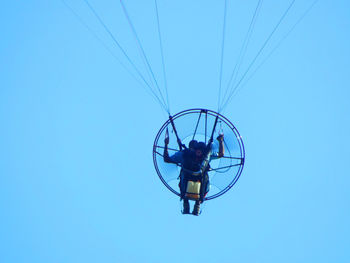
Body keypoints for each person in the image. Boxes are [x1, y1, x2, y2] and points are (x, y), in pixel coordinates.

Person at [163, 134, 225, 215]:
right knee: (185, 179)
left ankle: (198, 202)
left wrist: (220, 141)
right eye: (196, 150)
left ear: (203, 151)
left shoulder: (206, 156)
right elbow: (167, 159)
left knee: (204, 182)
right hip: (186, 179)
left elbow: (221, 154)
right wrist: (166, 144)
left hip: (201, 180)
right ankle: (186, 201)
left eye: (200, 150)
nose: (198, 152)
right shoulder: (184, 154)